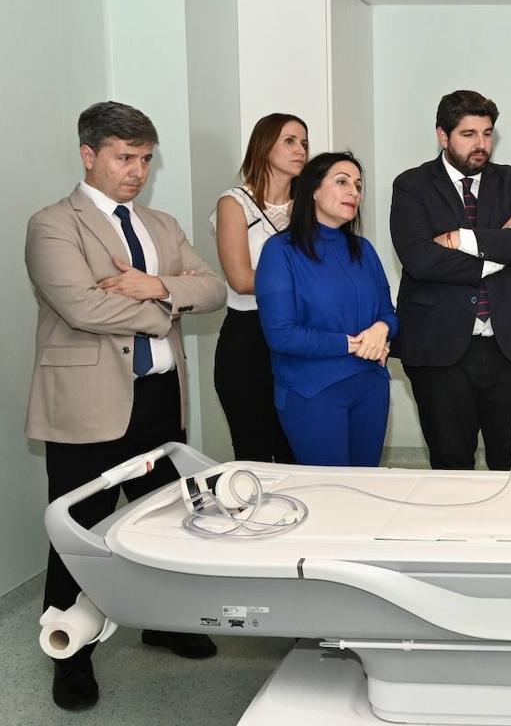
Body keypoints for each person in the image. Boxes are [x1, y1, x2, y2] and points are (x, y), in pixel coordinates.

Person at [25, 101, 226, 710]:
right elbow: (83, 308)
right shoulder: (53, 224)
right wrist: (170, 302)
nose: (137, 170)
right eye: (124, 157)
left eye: (145, 159)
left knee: (164, 517)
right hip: (88, 402)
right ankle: (70, 656)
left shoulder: (160, 225)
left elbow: (214, 287)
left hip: (161, 397)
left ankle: (162, 621)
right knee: (80, 528)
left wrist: (154, 285)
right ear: (89, 155)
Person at [391, 90, 511, 471]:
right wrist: (498, 251)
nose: (481, 145)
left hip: (507, 346)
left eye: (487, 133)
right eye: (468, 134)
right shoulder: (411, 186)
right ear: (443, 136)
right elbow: (421, 260)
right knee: (451, 464)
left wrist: (462, 240)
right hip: (439, 348)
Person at [256, 152, 397, 467]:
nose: (354, 192)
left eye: (358, 186)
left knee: (365, 491)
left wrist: (381, 329)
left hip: (371, 386)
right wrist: (353, 343)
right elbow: (281, 335)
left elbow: (389, 313)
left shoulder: (364, 250)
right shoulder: (280, 252)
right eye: (342, 182)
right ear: (313, 190)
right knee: (330, 495)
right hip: (312, 392)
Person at [212, 113, 308, 463]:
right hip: (248, 337)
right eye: (290, 141)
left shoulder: (310, 207)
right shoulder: (234, 202)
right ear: (264, 146)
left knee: (296, 450)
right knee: (253, 449)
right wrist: (307, 284)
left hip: (300, 335)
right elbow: (240, 278)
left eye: (304, 143)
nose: (300, 150)